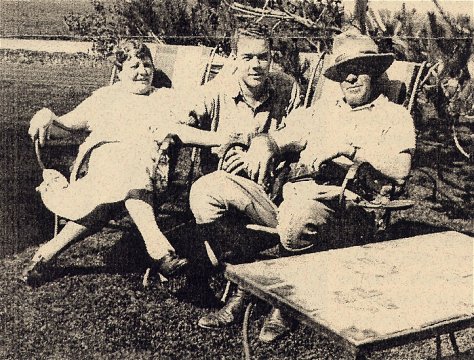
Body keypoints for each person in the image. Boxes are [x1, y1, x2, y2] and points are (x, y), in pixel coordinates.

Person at [194, 28, 416, 342]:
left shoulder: (394, 116)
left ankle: (282, 307)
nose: (350, 78)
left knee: (297, 214)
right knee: (207, 190)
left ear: (375, 72)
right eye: (343, 72)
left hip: (346, 207)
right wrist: (263, 147)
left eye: (359, 71)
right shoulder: (321, 112)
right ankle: (251, 279)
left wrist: (347, 150)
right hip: (287, 196)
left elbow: (400, 169)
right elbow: (281, 137)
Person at [21, 40, 222, 286]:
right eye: (134, 66)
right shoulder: (105, 97)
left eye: (147, 65)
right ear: (120, 71)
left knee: (119, 183)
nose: (142, 71)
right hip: (101, 171)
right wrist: (46, 115)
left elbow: (186, 125)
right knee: (123, 166)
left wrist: (221, 138)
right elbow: (69, 123)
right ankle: (160, 250)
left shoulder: (165, 98)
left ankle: (46, 254)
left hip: (148, 172)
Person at [185, 26, 301, 325]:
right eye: (247, 57)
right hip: (224, 190)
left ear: (271, 57)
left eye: (262, 57)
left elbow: (301, 134)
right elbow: (177, 126)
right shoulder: (216, 91)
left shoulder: (288, 88)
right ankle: (248, 280)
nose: (255, 65)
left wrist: (257, 149)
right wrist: (226, 141)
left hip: (272, 194)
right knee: (206, 191)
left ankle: (242, 286)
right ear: (234, 58)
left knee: (205, 195)